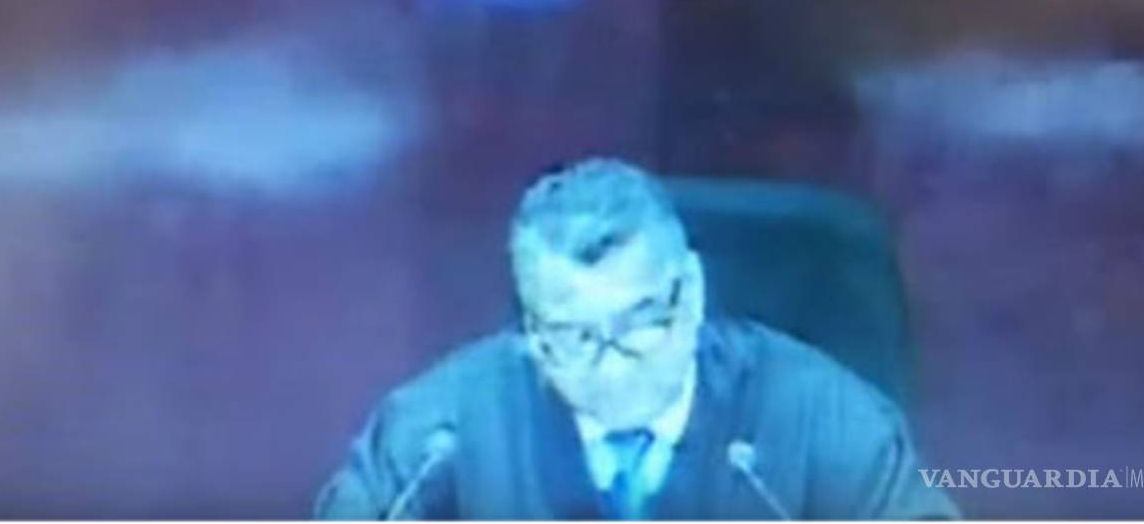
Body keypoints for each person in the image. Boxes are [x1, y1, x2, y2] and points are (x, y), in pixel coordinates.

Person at [314, 158, 959, 519]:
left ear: (693, 292)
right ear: (531, 328)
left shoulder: (825, 419)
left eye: (640, 323)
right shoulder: (433, 436)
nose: (613, 369)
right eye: (574, 337)